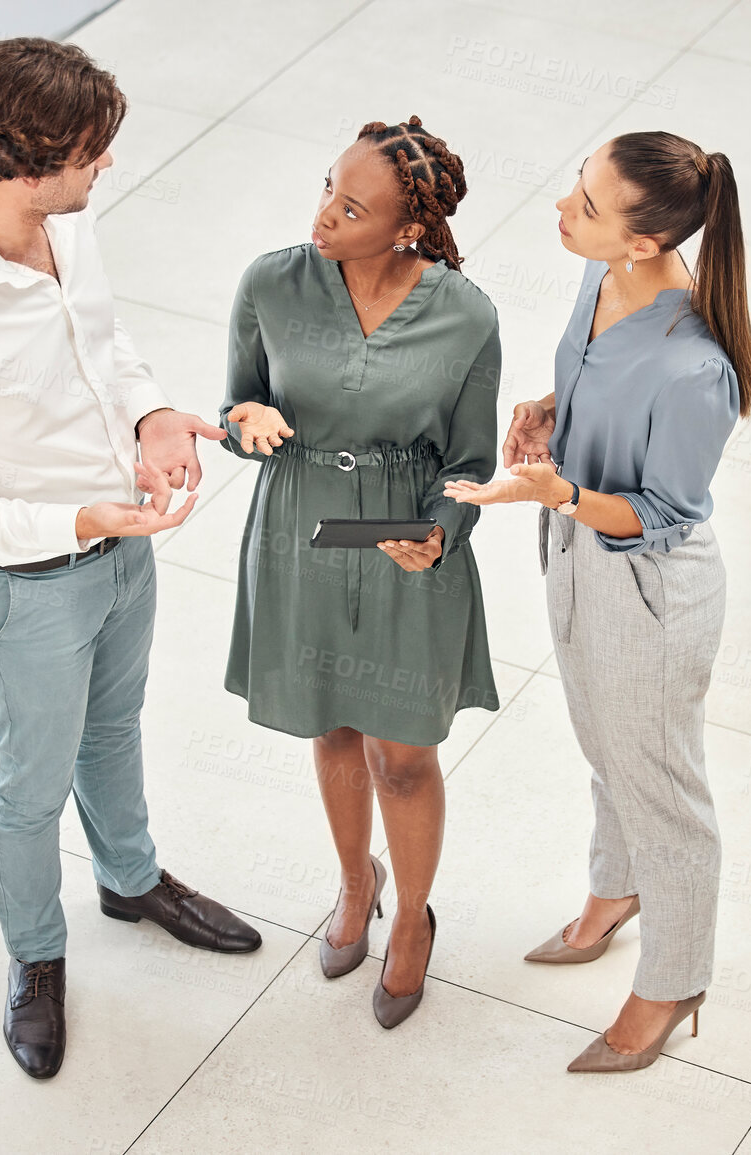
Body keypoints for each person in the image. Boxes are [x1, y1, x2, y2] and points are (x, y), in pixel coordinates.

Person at [0, 39, 261, 1081]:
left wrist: (153, 416)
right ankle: (36, 961)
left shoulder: (61, 224)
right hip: (21, 587)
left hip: (120, 550)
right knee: (30, 784)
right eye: (93, 154)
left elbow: (104, 341)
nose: (108, 169)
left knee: (117, 729)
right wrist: (80, 523)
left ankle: (130, 880)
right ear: (33, 161)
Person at [446, 130, 751, 1072]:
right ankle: (614, 889)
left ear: (642, 243)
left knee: (662, 786)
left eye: (585, 205)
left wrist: (559, 495)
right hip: (577, 551)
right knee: (602, 740)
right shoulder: (601, 277)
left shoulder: (695, 368)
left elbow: (664, 511)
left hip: (646, 585)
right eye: (575, 187)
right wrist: (552, 409)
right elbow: (597, 382)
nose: (560, 208)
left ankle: (673, 977)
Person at [219, 116, 500, 1028]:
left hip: (399, 531)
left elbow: (470, 461)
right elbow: (237, 404)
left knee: (404, 754)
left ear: (404, 229)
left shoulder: (464, 313)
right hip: (301, 522)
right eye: (326, 189)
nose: (324, 217)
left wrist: (442, 531)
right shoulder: (272, 281)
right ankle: (354, 882)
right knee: (331, 724)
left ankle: (411, 917)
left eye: (351, 207)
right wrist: (243, 424)